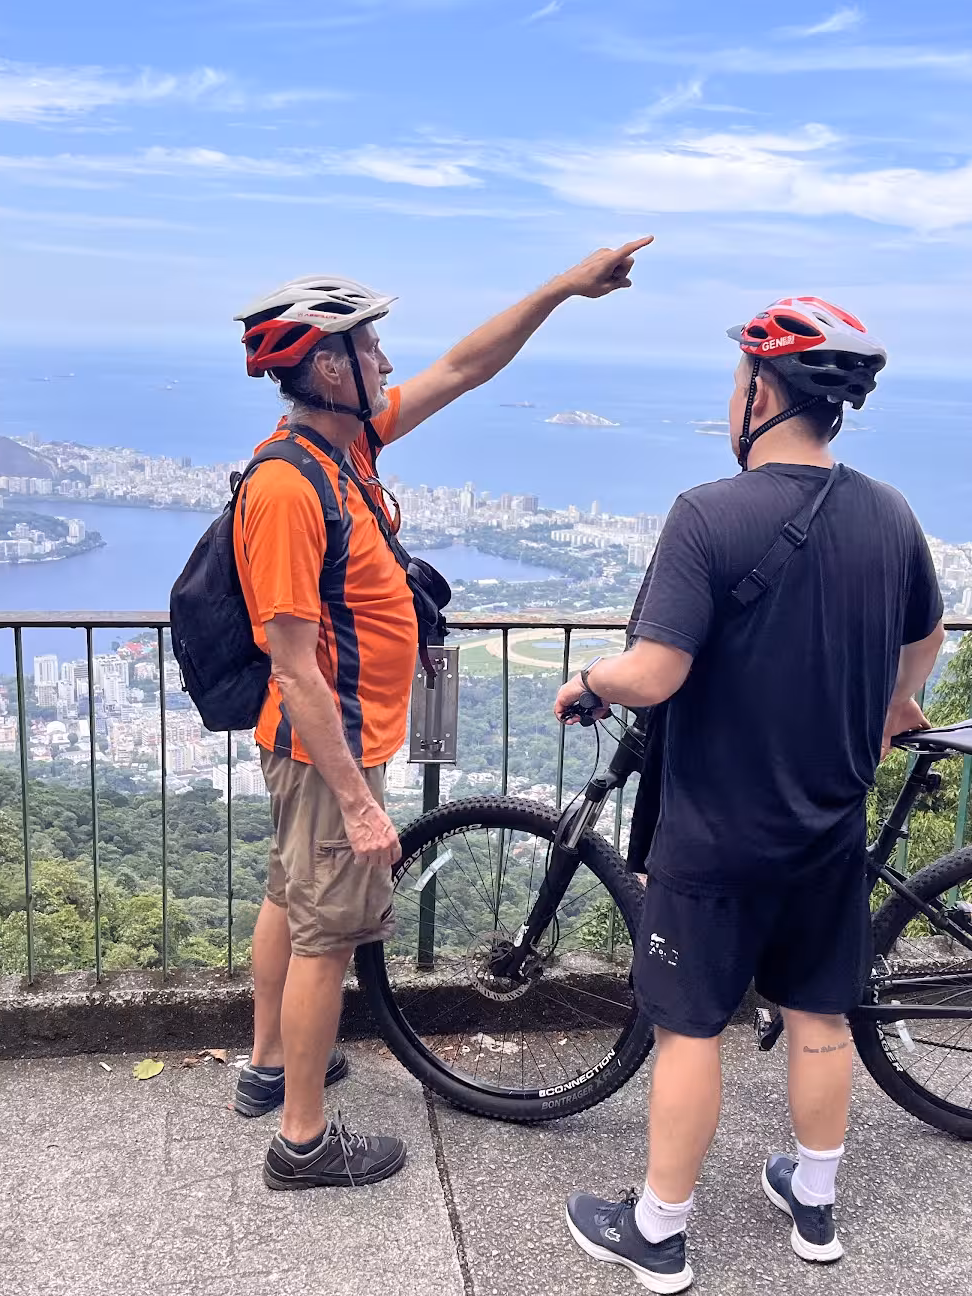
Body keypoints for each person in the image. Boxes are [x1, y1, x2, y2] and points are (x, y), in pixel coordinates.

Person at [231, 238, 654, 1192]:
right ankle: (302, 1141)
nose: (385, 361)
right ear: (323, 364)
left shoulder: (349, 448)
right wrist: (361, 802)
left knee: (292, 899)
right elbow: (293, 668)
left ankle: (267, 1068)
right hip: (324, 743)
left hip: (332, 743)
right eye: (369, 347)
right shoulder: (290, 487)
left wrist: (559, 287)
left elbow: (465, 368)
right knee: (325, 936)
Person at [555, 297, 945, 1290]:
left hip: (716, 835)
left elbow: (655, 674)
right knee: (820, 1019)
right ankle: (814, 1206)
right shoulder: (889, 512)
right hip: (828, 829)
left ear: (761, 393)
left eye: (736, 383)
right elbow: (926, 641)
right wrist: (900, 704)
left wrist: (591, 682)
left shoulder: (707, 514)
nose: (732, 399)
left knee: (690, 1028)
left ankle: (660, 1230)